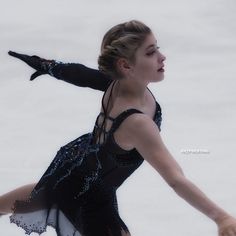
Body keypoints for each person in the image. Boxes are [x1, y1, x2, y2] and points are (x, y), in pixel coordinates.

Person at [1, 20, 236, 236]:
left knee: (54, 189)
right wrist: (221, 217)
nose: (162, 57)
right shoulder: (137, 123)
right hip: (89, 197)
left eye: (157, 48)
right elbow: (175, 179)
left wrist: (48, 66)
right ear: (125, 65)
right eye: (150, 52)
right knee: (58, 191)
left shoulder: (118, 83)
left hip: (78, 166)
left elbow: (81, 75)